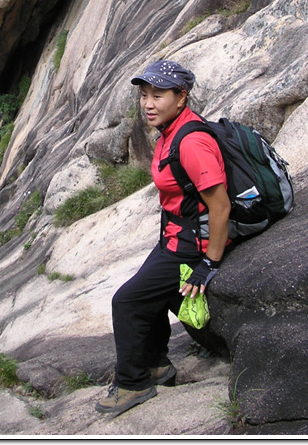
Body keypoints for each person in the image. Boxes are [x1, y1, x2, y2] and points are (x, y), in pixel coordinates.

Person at [95, 60, 232, 416]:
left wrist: (209, 264)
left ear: (181, 97)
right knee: (143, 296)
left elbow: (220, 206)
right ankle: (156, 365)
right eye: (144, 95)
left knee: (125, 302)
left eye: (158, 95)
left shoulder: (192, 141)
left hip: (190, 247)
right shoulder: (172, 130)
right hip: (173, 237)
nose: (148, 103)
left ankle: (132, 383)